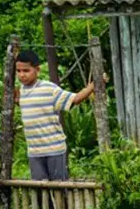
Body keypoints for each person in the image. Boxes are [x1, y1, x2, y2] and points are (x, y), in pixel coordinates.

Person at [14, 50, 98, 181]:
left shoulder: (49, 89)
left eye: (26, 71)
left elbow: (74, 99)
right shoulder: (20, 92)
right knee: (40, 190)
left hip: (54, 148)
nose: (21, 75)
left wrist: (92, 87)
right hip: (34, 151)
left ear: (37, 70)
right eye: (18, 71)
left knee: (59, 187)